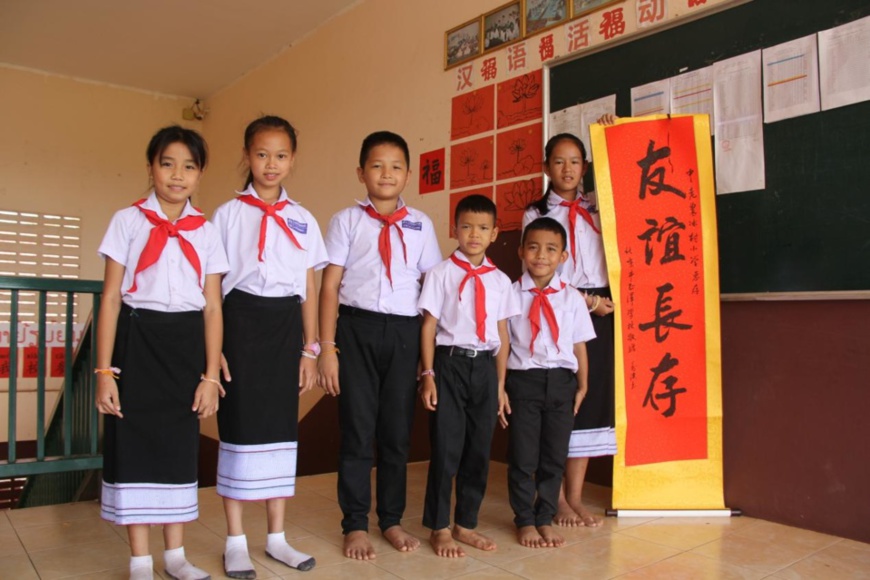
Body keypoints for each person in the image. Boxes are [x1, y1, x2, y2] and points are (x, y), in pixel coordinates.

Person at [95, 126, 228, 580]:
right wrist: (104, 370)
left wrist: (210, 375)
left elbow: (212, 305)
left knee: (177, 448)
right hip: (137, 342)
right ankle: (139, 562)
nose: (177, 175)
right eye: (167, 163)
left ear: (200, 174)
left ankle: (175, 557)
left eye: (189, 166)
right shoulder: (127, 221)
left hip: (185, 345)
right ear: (150, 166)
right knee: (132, 447)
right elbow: (111, 298)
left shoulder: (207, 232)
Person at [211, 115, 327, 578]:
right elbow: (212, 288)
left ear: (292, 160)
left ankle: (277, 538)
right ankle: (235, 540)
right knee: (237, 427)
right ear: (246, 156)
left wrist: (310, 348)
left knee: (282, 430)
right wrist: (213, 348)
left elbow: (310, 288)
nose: (270, 164)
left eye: (280, 155)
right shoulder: (226, 215)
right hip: (239, 322)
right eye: (261, 154)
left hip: (284, 328)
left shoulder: (302, 218)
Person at [318, 131, 442, 560]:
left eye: (395, 166)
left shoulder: (421, 225)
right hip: (356, 330)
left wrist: (428, 365)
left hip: (405, 334)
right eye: (376, 165)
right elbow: (329, 287)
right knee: (357, 429)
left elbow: (431, 289)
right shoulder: (346, 221)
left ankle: (390, 519)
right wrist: (326, 348)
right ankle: (354, 523)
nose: (386, 174)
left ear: (408, 174)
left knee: (395, 433)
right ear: (360, 172)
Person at [418, 194, 521, 558]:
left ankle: (466, 523)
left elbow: (504, 336)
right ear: (454, 229)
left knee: (478, 451)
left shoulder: (501, 282)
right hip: (449, 364)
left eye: (482, 228)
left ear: (494, 233)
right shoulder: (441, 274)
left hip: (484, 368)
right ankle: (439, 527)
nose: (473, 234)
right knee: (446, 449)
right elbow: (429, 327)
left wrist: (500, 384)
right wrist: (428, 374)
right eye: (466, 226)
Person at [523, 132, 616, 527]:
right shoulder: (536, 212)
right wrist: (586, 301)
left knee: (589, 401)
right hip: (557, 305)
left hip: (604, 309)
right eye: (559, 161)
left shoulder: (601, 205)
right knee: (558, 402)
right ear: (546, 167)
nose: (568, 169)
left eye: (576, 161)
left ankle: (575, 496)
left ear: (585, 167)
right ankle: (554, 497)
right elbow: (538, 269)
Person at [505, 217, 596, 548]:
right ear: (520, 252)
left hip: (561, 382)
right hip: (524, 382)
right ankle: (525, 521)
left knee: (554, 456)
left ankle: (545, 517)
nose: (541, 256)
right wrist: (502, 387)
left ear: (563, 257)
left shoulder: (572, 298)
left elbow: (579, 345)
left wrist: (583, 385)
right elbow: (503, 344)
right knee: (524, 457)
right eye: (533, 247)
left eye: (550, 249)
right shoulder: (511, 295)